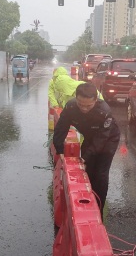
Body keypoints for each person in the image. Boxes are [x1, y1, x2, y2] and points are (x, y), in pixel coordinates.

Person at [52, 83, 120, 220]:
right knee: (87, 172)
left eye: (88, 106)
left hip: (108, 139)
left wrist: (86, 156)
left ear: (96, 100)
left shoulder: (104, 111)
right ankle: (87, 203)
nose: (84, 109)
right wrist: (59, 149)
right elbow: (61, 127)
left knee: (100, 174)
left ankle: (99, 210)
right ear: (76, 98)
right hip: (89, 137)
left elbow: (101, 139)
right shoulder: (71, 107)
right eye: (80, 104)